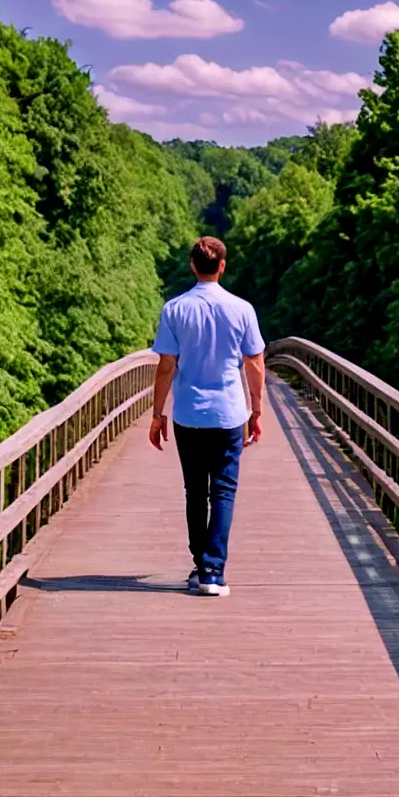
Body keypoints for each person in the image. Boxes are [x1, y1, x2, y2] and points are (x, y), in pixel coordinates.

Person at [149, 236, 265, 597]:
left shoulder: (175, 309)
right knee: (224, 492)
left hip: (188, 414)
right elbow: (256, 364)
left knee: (195, 492)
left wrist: (157, 414)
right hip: (230, 413)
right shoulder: (242, 309)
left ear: (192, 266)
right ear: (222, 266)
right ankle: (214, 571)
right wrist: (256, 410)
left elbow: (166, 365)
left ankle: (201, 567)